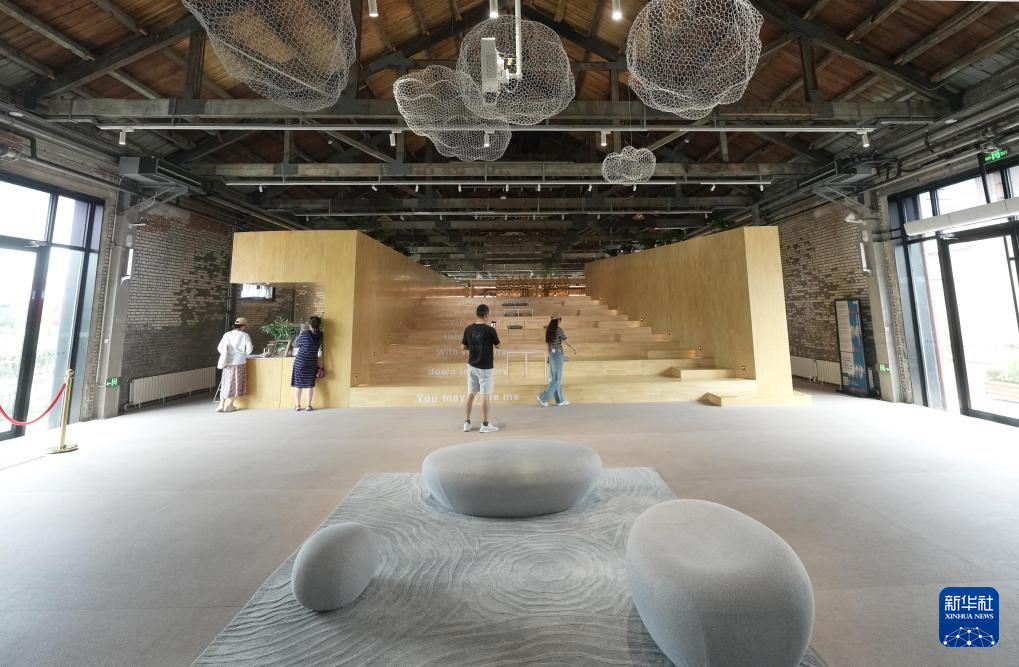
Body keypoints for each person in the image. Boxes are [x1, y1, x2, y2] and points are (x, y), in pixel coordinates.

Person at [462, 304, 500, 433]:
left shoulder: (468, 329)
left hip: (471, 366)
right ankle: (485, 424)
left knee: (470, 393)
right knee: (485, 395)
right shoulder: (490, 330)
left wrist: (474, 346)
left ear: (477, 314)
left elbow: (463, 347)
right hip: (485, 367)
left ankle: (466, 423)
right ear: (486, 314)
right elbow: (498, 345)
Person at [537, 313, 577, 407]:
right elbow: (566, 341)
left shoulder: (548, 330)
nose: (560, 321)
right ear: (558, 320)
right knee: (557, 379)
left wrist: (549, 356)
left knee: (555, 378)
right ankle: (543, 397)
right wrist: (573, 348)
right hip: (557, 354)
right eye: (560, 320)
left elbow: (548, 344)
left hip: (551, 354)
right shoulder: (559, 330)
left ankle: (559, 400)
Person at [217, 317, 253, 413]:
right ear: (243, 326)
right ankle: (230, 406)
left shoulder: (227, 335)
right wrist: (243, 354)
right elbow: (249, 350)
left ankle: (221, 405)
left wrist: (226, 354)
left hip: (228, 362)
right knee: (236, 383)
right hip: (239, 362)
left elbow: (219, 347)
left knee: (226, 383)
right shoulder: (245, 335)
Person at [292, 315, 324, 411]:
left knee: (298, 385)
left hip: (300, 362)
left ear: (310, 325)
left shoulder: (305, 334)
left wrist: (300, 333)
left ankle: (298, 405)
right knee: (310, 384)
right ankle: (308, 406)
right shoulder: (321, 335)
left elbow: (295, 344)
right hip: (311, 363)